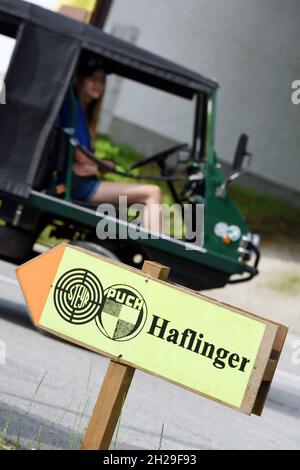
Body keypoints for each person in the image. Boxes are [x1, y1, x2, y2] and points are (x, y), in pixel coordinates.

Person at [59, 58, 163, 233]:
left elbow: (85, 160)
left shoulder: (83, 110)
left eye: (102, 81)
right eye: (93, 79)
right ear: (80, 79)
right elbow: (82, 158)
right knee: (153, 192)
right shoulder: (73, 106)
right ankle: (159, 257)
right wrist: (96, 166)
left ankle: (142, 245)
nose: (98, 84)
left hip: (84, 181)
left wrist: (96, 165)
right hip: (78, 184)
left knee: (144, 198)